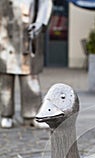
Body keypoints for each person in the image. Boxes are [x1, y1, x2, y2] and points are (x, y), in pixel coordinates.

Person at [0, 0, 53, 128]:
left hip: (26, 32)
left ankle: (32, 114)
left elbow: (45, 2)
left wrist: (41, 21)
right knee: (5, 78)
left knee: (29, 76)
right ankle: (5, 114)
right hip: (3, 33)